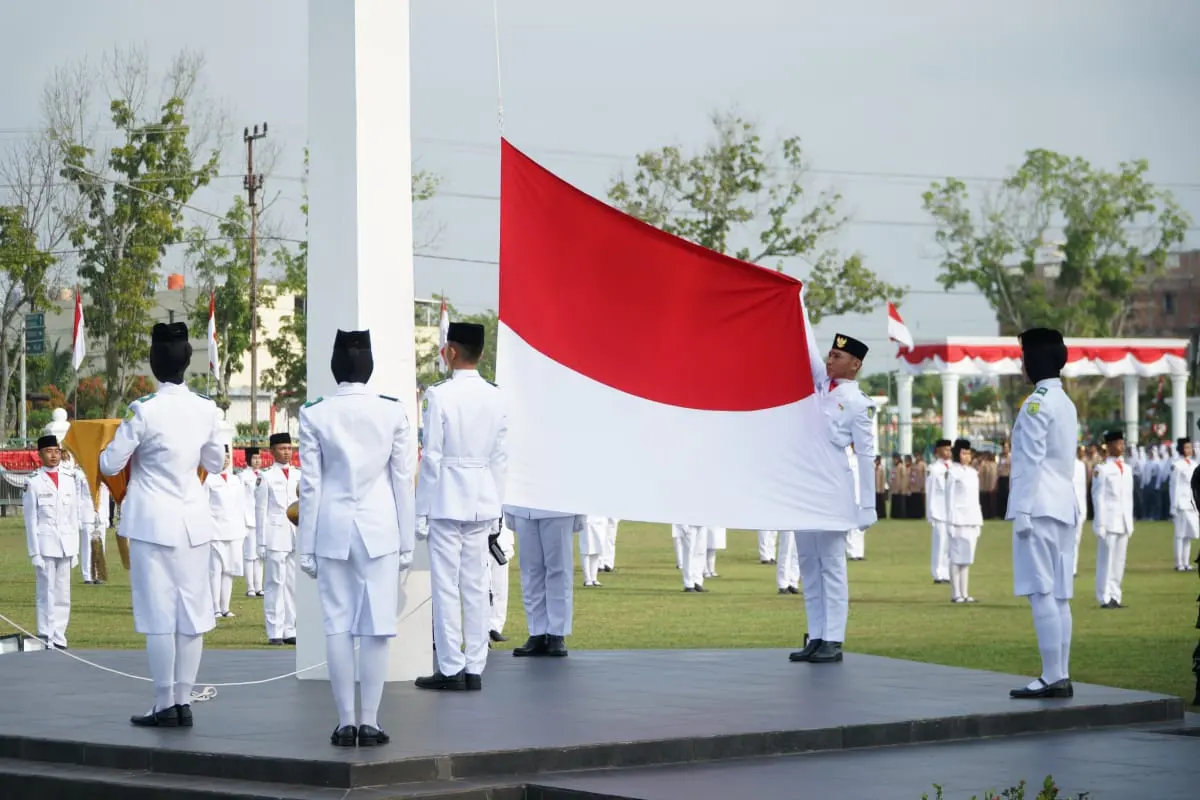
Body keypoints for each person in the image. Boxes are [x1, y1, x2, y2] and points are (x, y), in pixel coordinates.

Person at [99, 321, 225, 726]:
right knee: (191, 615)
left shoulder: (144, 411)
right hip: (193, 523)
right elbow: (216, 462)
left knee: (158, 617)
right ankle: (184, 701)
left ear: (155, 363)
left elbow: (108, 463)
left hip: (153, 524)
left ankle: (163, 702)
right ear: (187, 361)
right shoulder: (206, 408)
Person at [296, 328, 416, 747]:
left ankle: (345, 721)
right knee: (377, 627)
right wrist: (407, 540)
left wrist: (305, 545)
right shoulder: (392, 412)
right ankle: (371, 720)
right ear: (369, 366)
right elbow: (402, 481)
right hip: (380, 528)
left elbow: (310, 486)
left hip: (332, 527)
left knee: (338, 626)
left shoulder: (314, 412)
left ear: (335, 365)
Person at [414, 322, 507, 691]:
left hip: (447, 497)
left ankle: (450, 666)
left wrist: (421, 509)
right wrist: (496, 505)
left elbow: (432, 457)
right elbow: (500, 457)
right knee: (475, 583)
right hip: (482, 496)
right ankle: (474, 667)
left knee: (446, 586)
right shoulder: (497, 395)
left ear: (451, 352)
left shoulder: (439, 395)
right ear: (480, 354)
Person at [788, 316, 877, 665]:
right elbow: (807, 348)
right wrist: (799, 307)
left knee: (832, 566)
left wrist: (867, 505)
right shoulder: (818, 385)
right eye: (829, 354)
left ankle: (834, 639)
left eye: (837, 357)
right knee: (809, 565)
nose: (829, 360)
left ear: (855, 364)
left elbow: (868, 454)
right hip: (805, 488)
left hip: (832, 489)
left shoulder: (858, 402)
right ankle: (817, 634)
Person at [1006, 327, 1078, 699]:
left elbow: (1031, 461)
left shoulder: (1036, 403)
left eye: (1024, 356)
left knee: (1041, 592)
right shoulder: (1064, 401)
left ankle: (1052, 676)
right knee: (1060, 594)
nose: (1022, 363)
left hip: (1038, 507)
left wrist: (1021, 511)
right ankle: (1059, 672)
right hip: (1064, 504)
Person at [24, 435, 87, 649]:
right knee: (45, 592)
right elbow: (31, 519)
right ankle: (45, 634)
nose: (54, 455)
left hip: (66, 545)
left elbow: (73, 516)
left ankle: (59, 635)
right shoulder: (33, 482)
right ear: (40, 454)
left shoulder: (70, 479)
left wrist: (76, 550)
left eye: (57, 451)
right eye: (49, 451)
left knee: (63, 592)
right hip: (45, 544)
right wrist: (34, 552)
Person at [504, 507, 584, 657]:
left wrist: (580, 510)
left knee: (559, 569)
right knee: (530, 570)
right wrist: (508, 508)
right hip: (523, 505)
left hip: (559, 506)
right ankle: (536, 631)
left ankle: (557, 633)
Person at [257, 433, 300, 645]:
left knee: (292, 584)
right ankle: (274, 630)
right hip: (274, 534)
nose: (286, 452)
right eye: (282, 448)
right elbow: (260, 511)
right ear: (272, 451)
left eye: (289, 448)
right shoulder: (265, 476)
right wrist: (261, 542)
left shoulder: (299, 475)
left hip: (295, 535)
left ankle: (290, 629)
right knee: (275, 583)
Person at [1092, 430, 1134, 609]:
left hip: (1123, 521)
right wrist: (1100, 523)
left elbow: (1128, 497)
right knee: (1106, 561)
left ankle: (1115, 595)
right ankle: (1104, 596)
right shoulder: (1102, 469)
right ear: (1108, 446)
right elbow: (1098, 497)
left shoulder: (1127, 468)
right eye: (1118, 443)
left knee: (1119, 562)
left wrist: (1130, 521)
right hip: (1108, 521)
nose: (1121, 446)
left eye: (1122, 443)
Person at [204, 445, 245, 619]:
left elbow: (241, 505)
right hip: (215, 531)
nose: (226, 460)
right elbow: (204, 506)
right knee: (215, 570)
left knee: (229, 571)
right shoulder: (208, 480)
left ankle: (225, 607)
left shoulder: (236, 480)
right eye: (222, 456)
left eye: (228, 456)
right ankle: (214, 608)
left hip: (234, 531)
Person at [945, 438, 982, 603]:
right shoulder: (953, 472)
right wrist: (950, 522)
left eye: (968, 453)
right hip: (957, 520)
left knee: (967, 559)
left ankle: (965, 593)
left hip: (972, 519)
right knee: (956, 558)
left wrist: (978, 521)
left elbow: (976, 499)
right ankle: (956, 593)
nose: (967, 456)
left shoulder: (973, 473)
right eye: (964, 453)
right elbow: (949, 498)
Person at [926, 440, 953, 584]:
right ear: (938, 451)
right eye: (945, 449)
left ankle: (947, 572)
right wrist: (930, 513)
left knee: (949, 545)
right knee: (939, 544)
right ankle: (937, 573)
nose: (948, 452)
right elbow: (930, 492)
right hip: (938, 511)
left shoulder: (953, 467)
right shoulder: (934, 469)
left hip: (951, 512)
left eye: (949, 449)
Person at [1169, 438, 1198, 571]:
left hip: (1191, 502)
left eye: (1190, 447)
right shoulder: (1177, 465)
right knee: (1180, 534)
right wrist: (1173, 505)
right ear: (1181, 449)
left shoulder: (1193, 464)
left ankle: (1186, 562)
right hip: (1180, 502)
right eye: (1186, 447)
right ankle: (1179, 563)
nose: (1189, 450)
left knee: (1189, 534)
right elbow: (1173, 486)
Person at [240, 447, 265, 597]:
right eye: (254, 458)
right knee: (249, 555)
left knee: (260, 555)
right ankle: (250, 586)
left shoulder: (264, 475)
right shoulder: (243, 477)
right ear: (248, 459)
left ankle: (259, 586)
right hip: (248, 519)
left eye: (259, 458)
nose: (257, 461)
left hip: (261, 520)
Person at [488, 519, 516, 642]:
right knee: (483, 591)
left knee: (500, 589)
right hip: (481, 538)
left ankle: (495, 627)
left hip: (502, 542)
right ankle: (481, 630)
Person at [845, 448, 867, 561]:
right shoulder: (846, 458)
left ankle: (859, 552)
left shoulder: (859, 459)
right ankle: (852, 552)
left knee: (860, 527)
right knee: (851, 527)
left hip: (860, 497)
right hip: (850, 497)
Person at [1072, 446, 1088, 577]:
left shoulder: (1081, 465)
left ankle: (1073, 568)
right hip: (1063, 506)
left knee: (1076, 539)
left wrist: (1083, 509)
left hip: (1078, 506)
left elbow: (1083, 487)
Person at [581, 515, 608, 587]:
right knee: (586, 548)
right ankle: (587, 579)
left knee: (598, 547)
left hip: (601, 518)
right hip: (588, 518)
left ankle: (594, 578)